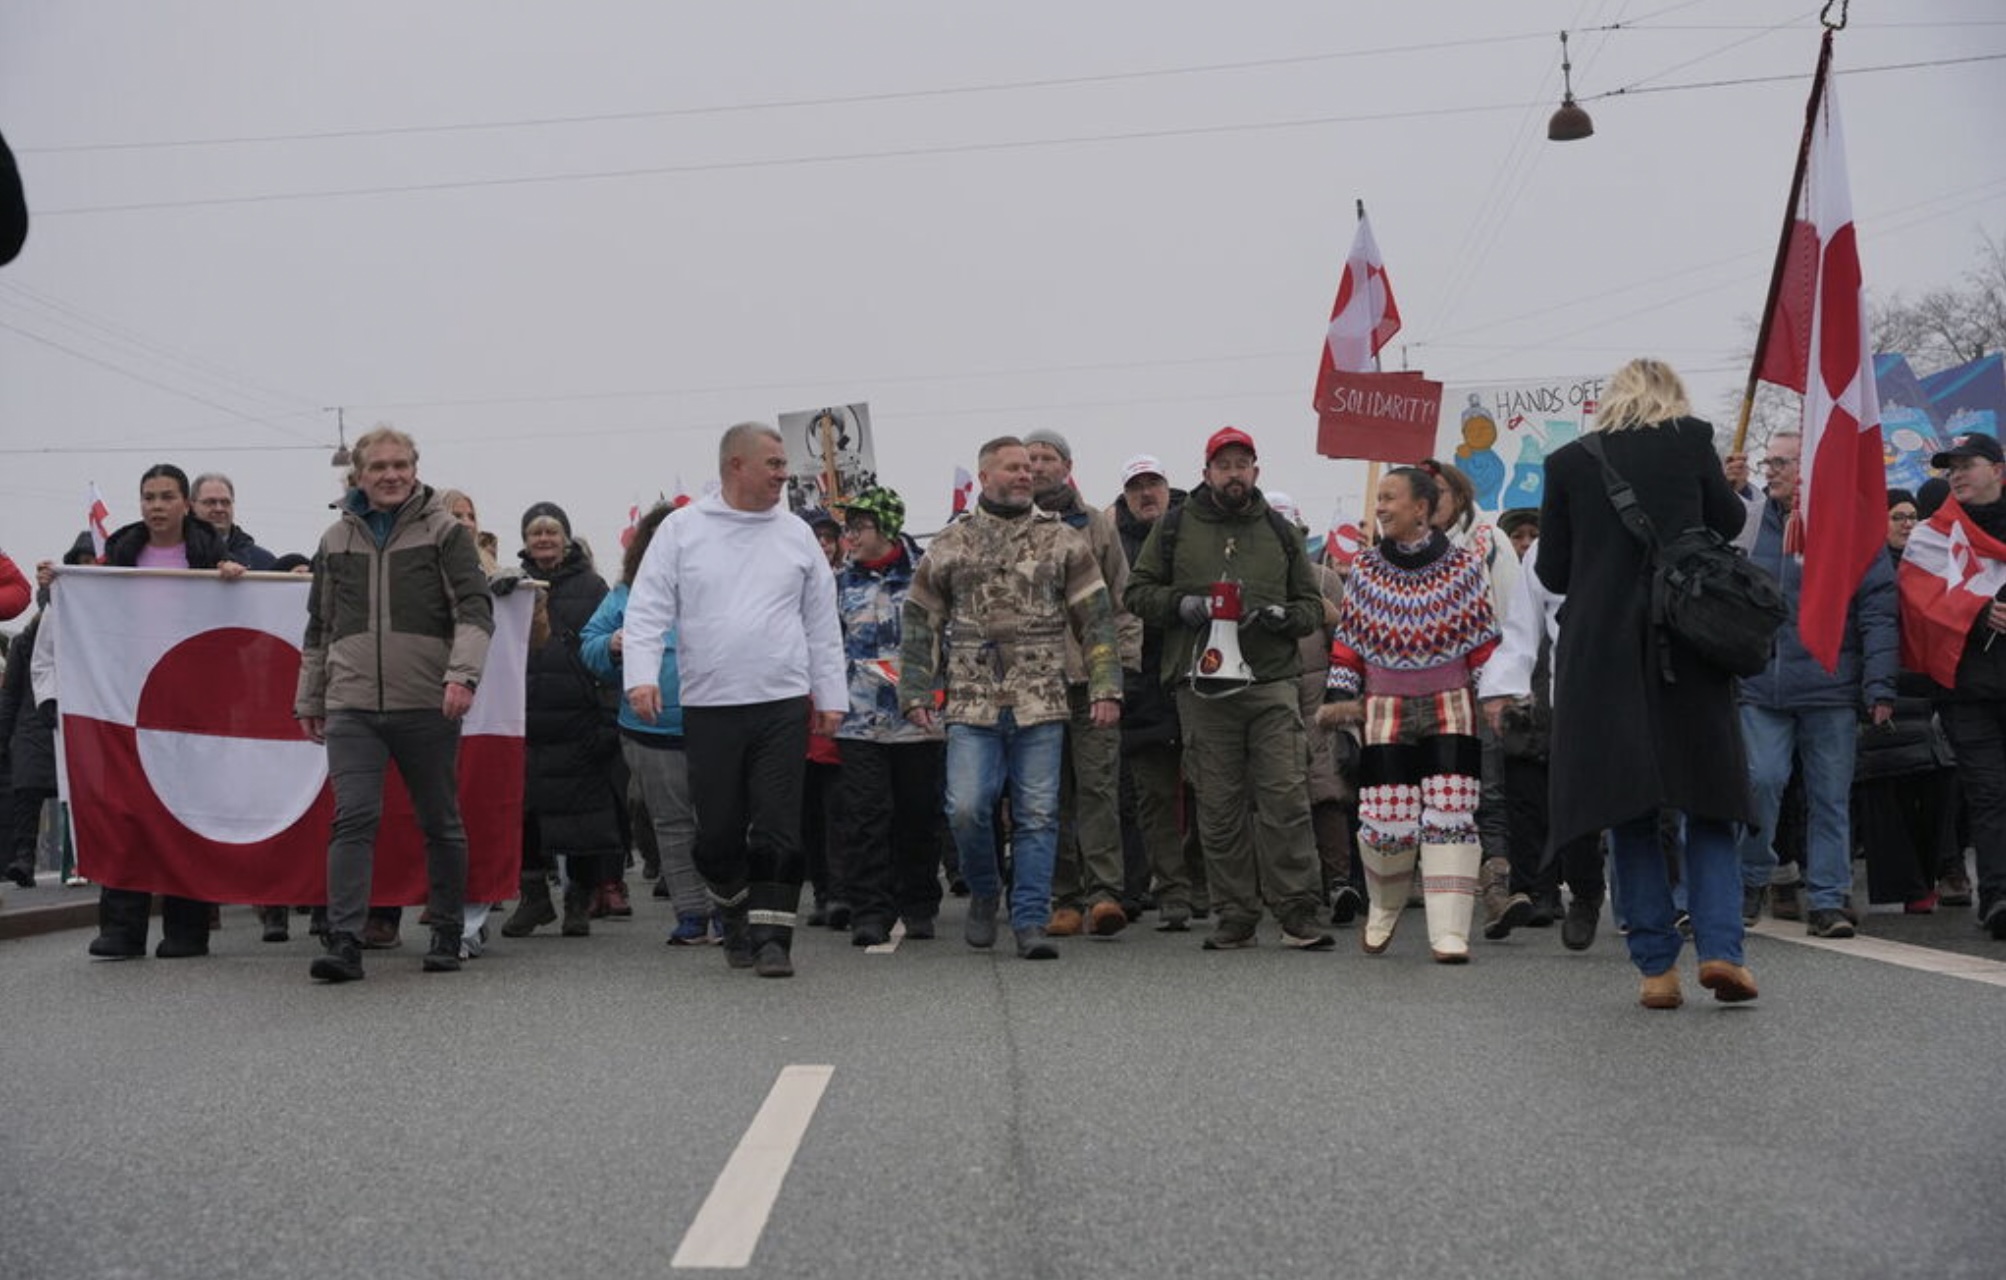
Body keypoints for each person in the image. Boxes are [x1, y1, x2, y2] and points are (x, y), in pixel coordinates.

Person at [1536, 358, 1757, 1008]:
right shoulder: (1692, 440)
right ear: (1673, 397)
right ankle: (1721, 950)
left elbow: (1552, 571)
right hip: (1687, 641)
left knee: (1627, 808)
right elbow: (1727, 522)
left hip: (1601, 654)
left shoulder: (1568, 462)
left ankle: (1656, 969)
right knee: (1709, 800)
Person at [624, 422, 848, 978]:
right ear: (735, 466)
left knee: (778, 828)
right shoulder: (683, 530)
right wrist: (641, 676)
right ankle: (732, 907)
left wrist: (830, 695)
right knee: (718, 834)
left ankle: (773, 940)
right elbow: (648, 606)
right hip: (711, 705)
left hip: (781, 702)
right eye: (774, 464)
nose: (784, 474)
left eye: (784, 465)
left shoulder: (796, 534)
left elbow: (822, 622)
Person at [899, 436, 1120, 960]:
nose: (1025, 475)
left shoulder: (1063, 540)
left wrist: (1106, 685)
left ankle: (1030, 920)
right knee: (966, 809)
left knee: (1038, 815)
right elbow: (920, 619)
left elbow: (1097, 619)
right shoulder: (951, 542)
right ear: (985, 477)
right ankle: (984, 888)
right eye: (1014, 468)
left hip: (1041, 702)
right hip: (972, 705)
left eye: (1028, 467)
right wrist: (915, 688)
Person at [295, 426, 494, 982]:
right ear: (358, 475)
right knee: (353, 818)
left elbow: (475, 609)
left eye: (400, 465)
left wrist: (463, 676)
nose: (391, 475)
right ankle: (344, 942)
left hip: (427, 702)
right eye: (379, 466)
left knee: (439, 820)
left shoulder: (445, 532)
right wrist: (310, 696)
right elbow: (319, 625)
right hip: (351, 705)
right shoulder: (335, 539)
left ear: (415, 469)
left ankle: (447, 931)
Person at [1126, 427, 1333, 952]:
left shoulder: (1280, 531)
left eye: (1243, 465)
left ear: (1256, 472)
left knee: (1285, 798)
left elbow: (1312, 607)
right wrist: (1182, 606)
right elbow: (1137, 593)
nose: (1234, 474)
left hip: (1271, 683)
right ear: (1207, 473)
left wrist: (1285, 617)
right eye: (1224, 466)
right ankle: (1236, 914)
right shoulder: (1175, 527)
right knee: (1218, 807)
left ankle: (1297, 912)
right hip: (1203, 688)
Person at [1319, 467, 1498, 962]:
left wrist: (1495, 701)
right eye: (1378, 497)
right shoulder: (1366, 568)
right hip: (1385, 708)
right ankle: (1384, 907)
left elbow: (1483, 644)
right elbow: (1349, 645)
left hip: (1450, 704)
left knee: (1452, 814)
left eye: (1389, 497)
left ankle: (1449, 930)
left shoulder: (1465, 566)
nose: (1379, 506)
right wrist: (1340, 706)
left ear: (1420, 508)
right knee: (1386, 819)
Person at [1733, 430, 1897, 938]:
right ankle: (1751, 878)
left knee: (1830, 798)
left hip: (1830, 685)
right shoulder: (1749, 522)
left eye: (1782, 463)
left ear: (1810, 470)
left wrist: (1880, 685)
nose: (1770, 472)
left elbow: (1878, 610)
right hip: (1761, 685)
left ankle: (1828, 899)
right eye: (1767, 463)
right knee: (1761, 783)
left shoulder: (1853, 526)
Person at [84, 465, 247, 959]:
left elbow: (236, 630)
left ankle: (187, 929)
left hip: (191, 707)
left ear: (185, 504)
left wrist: (233, 582)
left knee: (185, 814)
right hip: (128, 701)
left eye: (166, 497)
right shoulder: (120, 554)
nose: (156, 506)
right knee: (126, 815)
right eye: (148, 497)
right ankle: (122, 928)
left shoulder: (210, 554)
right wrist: (58, 581)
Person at [582, 502, 716, 945]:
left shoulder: (717, 584)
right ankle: (691, 913)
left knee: (720, 821)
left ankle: (726, 908)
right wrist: (611, 645)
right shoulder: (625, 594)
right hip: (651, 730)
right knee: (672, 824)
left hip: (716, 721)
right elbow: (589, 643)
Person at [1025, 428, 1139, 937]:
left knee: (1098, 788)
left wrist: (1119, 673)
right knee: (1046, 796)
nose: (1038, 466)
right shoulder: (1010, 527)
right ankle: (1063, 897)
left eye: (1047, 457)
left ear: (1067, 466)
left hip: (1091, 681)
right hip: (1033, 688)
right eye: (1030, 458)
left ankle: (1104, 895)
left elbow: (1122, 604)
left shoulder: (1095, 524)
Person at [1896, 432, 2006, 939]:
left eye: (1967, 465)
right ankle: (1998, 896)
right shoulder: (1932, 535)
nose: (1956, 475)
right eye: (1950, 468)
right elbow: (1920, 600)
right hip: (1968, 689)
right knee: (1989, 791)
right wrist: (1981, 612)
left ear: (1997, 471)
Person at [828, 486, 946, 947]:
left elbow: (948, 641)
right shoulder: (838, 584)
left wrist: (938, 694)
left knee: (918, 815)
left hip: (918, 723)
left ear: (887, 528)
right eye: (847, 528)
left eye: (859, 527)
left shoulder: (927, 577)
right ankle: (870, 910)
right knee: (864, 817)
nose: (850, 537)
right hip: (859, 722)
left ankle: (918, 904)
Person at [503, 502, 625, 938]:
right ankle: (534, 898)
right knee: (525, 815)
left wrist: (608, 719)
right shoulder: (512, 587)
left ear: (566, 538)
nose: (544, 539)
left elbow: (608, 651)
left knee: (583, 817)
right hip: (527, 720)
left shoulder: (592, 586)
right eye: (535, 533)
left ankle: (579, 898)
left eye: (551, 532)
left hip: (579, 719)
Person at [1108, 455, 1208, 929]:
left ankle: (1201, 880)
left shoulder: (1194, 529)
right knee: (1153, 797)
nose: (1146, 494)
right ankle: (1172, 893)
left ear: (1169, 488)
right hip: (1140, 683)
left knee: (1210, 788)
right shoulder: (1111, 539)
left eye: (1154, 484)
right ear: (1125, 494)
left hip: (1196, 675)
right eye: (1136, 487)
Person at [1855, 488, 1965, 913]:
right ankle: (1913, 886)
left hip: (1929, 689)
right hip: (1884, 688)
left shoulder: (1930, 565)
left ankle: (1946, 867)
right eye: (1897, 516)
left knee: (1941, 784)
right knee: (1891, 792)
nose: (1906, 524)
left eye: (1912, 516)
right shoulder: (1868, 567)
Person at [190, 473, 281, 571]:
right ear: (191, 506)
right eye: (211, 502)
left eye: (225, 502)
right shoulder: (179, 553)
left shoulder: (262, 561)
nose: (219, 508)